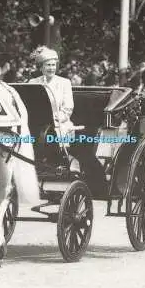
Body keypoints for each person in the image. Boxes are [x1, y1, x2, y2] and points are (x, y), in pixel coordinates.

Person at [29, 47, 106, 195]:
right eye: (47, 65)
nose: (51, 68)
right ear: (41, 67)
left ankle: (67, 161)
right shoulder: (33, 82)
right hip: (38, 123)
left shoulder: (64, 83)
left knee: (57, 132)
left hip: (60, 122)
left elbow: (68, 108)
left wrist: (57, 118)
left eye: (53, 65)